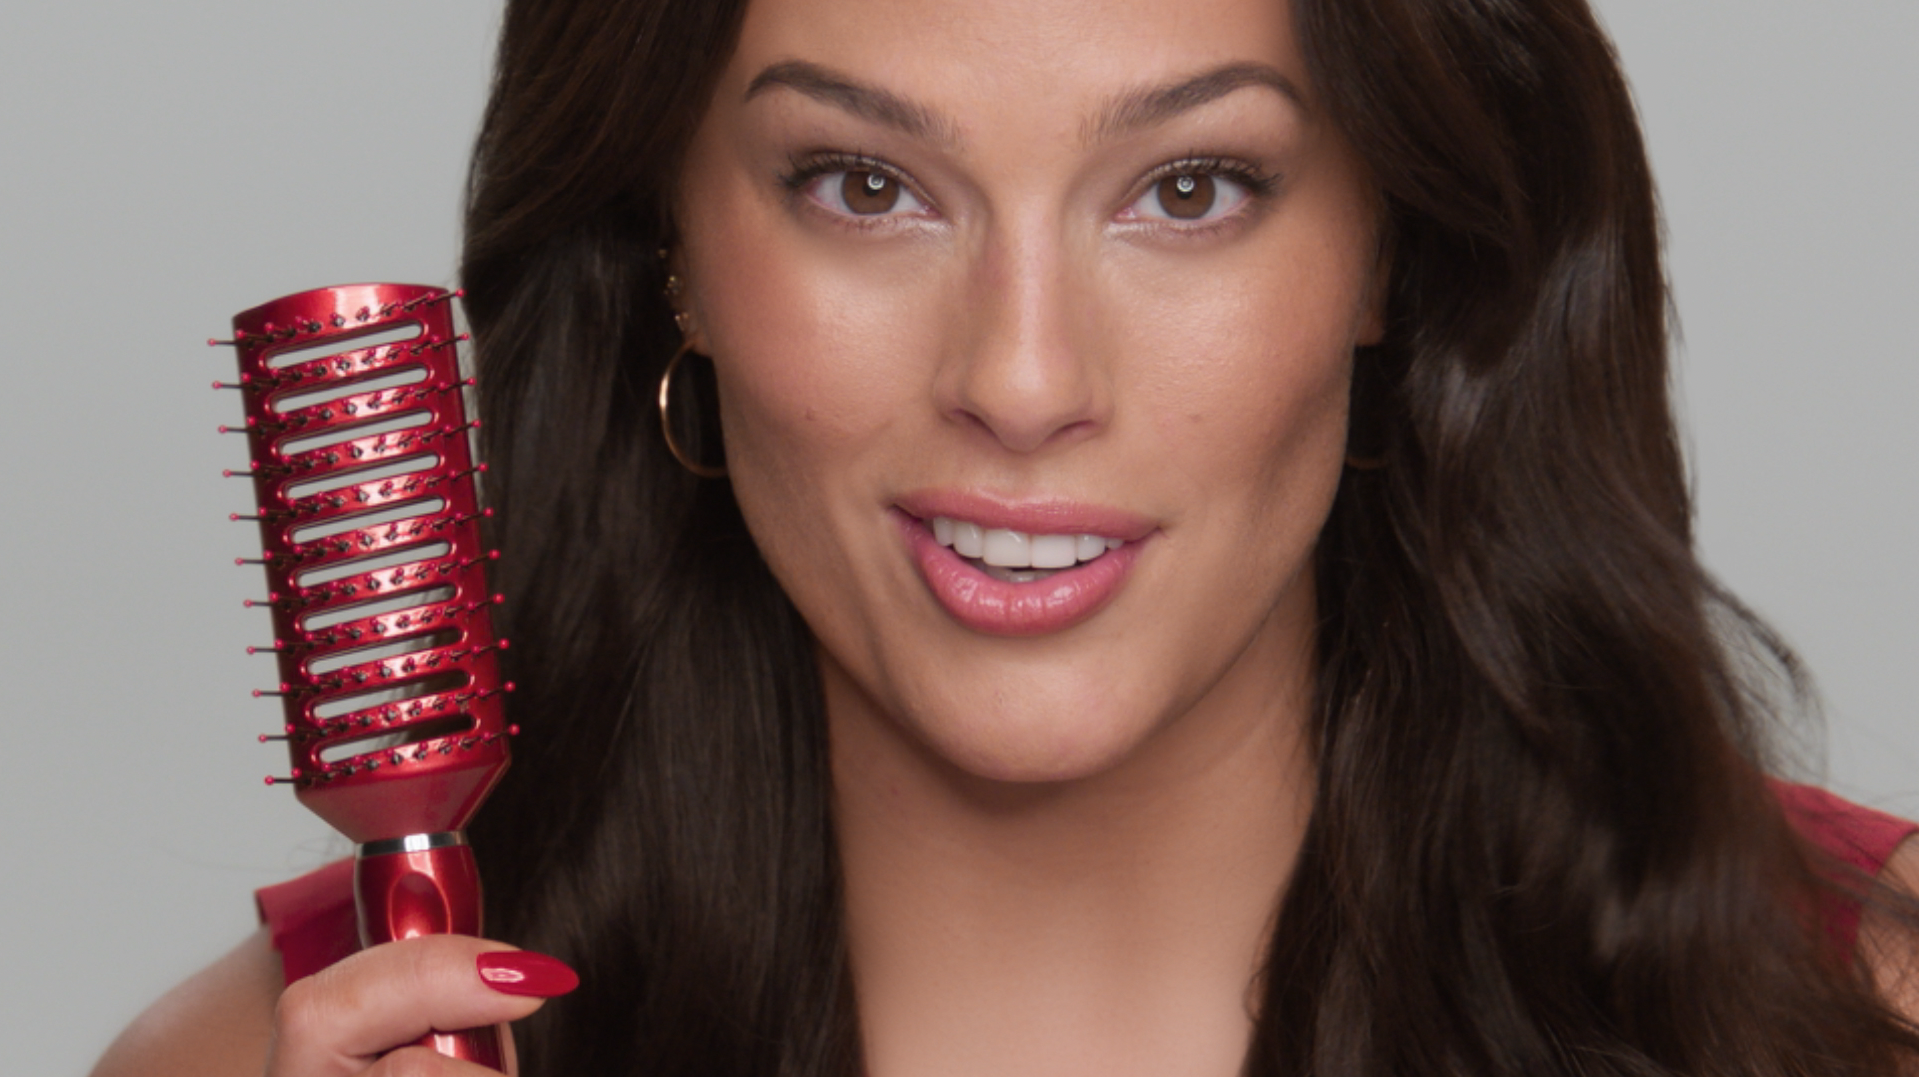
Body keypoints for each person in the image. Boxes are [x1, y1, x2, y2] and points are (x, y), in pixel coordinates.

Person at [93, 0, 1919, 1073]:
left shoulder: (1861, 1016)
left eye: (1189, 189)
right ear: (672, 258)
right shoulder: (263, 1063)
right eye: (863, 186)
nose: (1023, 380)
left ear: (1392, 257)